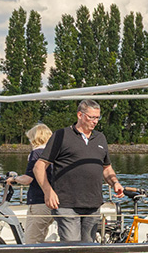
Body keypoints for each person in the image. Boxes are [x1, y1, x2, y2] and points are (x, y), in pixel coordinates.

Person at [33, 100, 126, 243]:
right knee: (73, 247)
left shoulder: (100, 138)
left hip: (93, 204)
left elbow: (106, 168)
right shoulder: (61, 135)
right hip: (67, 204)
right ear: (79, 115)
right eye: (91, 117)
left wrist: (115, 183)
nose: (95, 121)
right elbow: (39, 166)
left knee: (88, 249)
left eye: (97, 118)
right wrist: (48, 191)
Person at [15, 123, 54, 244]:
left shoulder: (36, 154)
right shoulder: (54, 153)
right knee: (42, 237)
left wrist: (14, 179)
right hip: (53, 202)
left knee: (32, 242)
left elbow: (28, 179)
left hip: (39, 203)